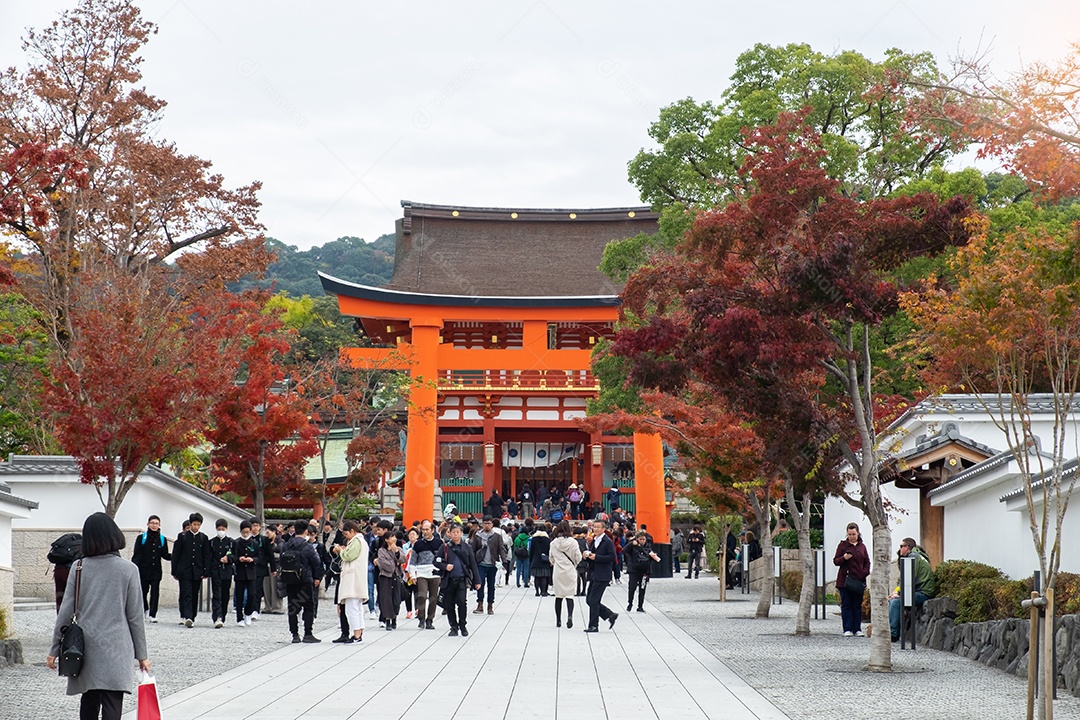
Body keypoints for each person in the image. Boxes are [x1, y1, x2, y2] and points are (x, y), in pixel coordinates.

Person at [48, 512, 150, 720]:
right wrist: (142, 655)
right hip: (117, 648)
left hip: (86, 647)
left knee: (89, 701)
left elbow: (66, 611)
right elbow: (135, 617)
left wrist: (54, 649)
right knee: (113, 704)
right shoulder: (129, 570)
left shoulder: (79, 568)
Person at [281, 519, 323, 643]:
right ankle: (308, 633)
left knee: (292, 607)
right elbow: (316, 563)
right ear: (306, 531)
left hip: (290, 579)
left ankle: (294, 634)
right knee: (309, 606)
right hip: (305, 581)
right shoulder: (307, 547)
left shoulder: (286, 544)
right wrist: (317, 578)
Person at [888, 537, 936, 642]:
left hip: (923, 592)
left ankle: (893, 634)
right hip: (921, 591)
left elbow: (908, 579)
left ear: (908, 547)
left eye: (901, 546)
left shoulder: (913, 557)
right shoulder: (919, 556)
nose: (900, 549)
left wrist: (899, 593)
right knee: (895, 600)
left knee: (895, 602)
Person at [436, 523, 481, 637]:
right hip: (449, 580)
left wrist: (477, 581)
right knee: (449, 605)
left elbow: (473, 565)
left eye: (458, 532)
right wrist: (445, 566)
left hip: (461, 579)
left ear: (462, 533)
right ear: (449, 533)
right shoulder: (445, 547)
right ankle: (453, 626)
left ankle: (463, 625)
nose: (456, 534)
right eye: (453, 532)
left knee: (462, 602)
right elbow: (436, 561)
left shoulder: (467, 548)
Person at [171, 512, 212, 627]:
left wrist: (206, 571)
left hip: (197, 571)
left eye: (198, 525)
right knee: (187, 593)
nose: (196, 527)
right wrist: (174, 570)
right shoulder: (182, 536)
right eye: (194, 524)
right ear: (190, 524)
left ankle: (192, 616)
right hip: (184, 570)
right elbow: (176, 555)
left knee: (195, 594)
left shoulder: (203, 538)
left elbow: (206, 556)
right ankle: (187, 616)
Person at [333, 519, 368, 644]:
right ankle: (358, 633)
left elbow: (349, 556)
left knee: (351, 609)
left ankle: (356, 635)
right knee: (357, 608)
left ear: (352, 531)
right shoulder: (360, 540)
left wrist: (340, 551)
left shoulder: (357, 541)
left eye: (346, 534)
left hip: (353, 580)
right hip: (356, 578)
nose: (345, 536)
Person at [833, 522, 870, 637]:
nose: (852, 536)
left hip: (858, 580)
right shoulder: (843, 546)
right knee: (846, 605)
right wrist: (844, 558)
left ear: (858, 533)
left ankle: (857, 628)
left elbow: (867, 562)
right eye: (849, 534)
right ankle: (847, 628)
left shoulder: (862, 547)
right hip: (845, 580)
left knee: (857, 605)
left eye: (854, 534)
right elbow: (836, 561)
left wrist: (864, 573)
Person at [130, 516, 169, 622]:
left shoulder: (162, 539)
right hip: (143, 570)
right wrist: (134, 567)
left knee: (155, 593)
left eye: (156, 523)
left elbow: (164, 554)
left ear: (159, 525)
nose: (154, 525)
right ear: (148, 524)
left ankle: (153, 614)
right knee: (143, 591)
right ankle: (145, 609)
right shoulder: (141, 538)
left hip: (156, 571)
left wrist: (176, 556)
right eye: (152, 523)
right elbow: (137, 554)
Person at [583, 518, 618, 632]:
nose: (596, 529)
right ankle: (609, 614)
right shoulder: (594, 540)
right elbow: (593, 557)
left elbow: (612, 557)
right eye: (594, 526)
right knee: (589, 600)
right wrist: (587, 557)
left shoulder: (607, 541)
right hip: (593, 573)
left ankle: (593, 625)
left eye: (598, 527)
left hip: (603, 574)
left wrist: (597, 557)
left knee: (594, 600)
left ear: (604, 529)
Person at [410, 519, 444, 630]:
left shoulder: (439, 543)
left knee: (433, 597)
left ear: (432, 530)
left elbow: (443, 558)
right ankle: (421, 618)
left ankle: (430, 619)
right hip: (421, 572)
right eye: (423, 529)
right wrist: (413, 575)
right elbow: (413, 561)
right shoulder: (418, 544)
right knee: (422, 595)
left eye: (427, 529)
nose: (425, 532)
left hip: (435, 572)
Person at [549, 520, 582, 628]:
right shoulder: (573, 542)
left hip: (558, 571)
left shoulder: (553, 543)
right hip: (570, 570)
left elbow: (551, 558)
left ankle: (558, 620)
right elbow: (578, 556)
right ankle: (570, 616)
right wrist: (574, 564)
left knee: (558, 596)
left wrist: (556, 564)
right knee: (569, 595)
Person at [471, 515, 506, 615]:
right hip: (481, 563)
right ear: (482, 524)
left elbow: (501, 549)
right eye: (485, 523)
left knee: (491, 585)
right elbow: (473, 549)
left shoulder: (497, 536)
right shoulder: (477, 535)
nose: (487, 525)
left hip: (492, 564)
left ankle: (490, 605)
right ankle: (480, 604)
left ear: (492, 524)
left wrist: (504, 561)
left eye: (489, 523)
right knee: (480, 584)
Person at [230, 521, 259, 627]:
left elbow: (259, 557)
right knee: (239, 595)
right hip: (240, 572)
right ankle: (239, 617)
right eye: (243, 532)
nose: (245, 534)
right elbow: (233, 556)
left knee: (251, 594)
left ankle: (248, 613)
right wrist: (239, 559)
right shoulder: (236, 542)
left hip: (251, 572)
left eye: (247, 532)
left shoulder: (254, 543)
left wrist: (253, 559)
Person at [625, 531, 660, 612]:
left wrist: (654, 556)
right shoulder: (633, 546)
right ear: (637, 539)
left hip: (645, 571)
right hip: (634, 570)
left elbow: (653, 558)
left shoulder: (648, 547)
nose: (642, 541)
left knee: (642, 588)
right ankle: (630, 603)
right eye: (640, 539)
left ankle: (640, 606)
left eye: (644, 539)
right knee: (632, 587)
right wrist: (631, 544)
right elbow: (625, 550)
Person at [208, 519, 233, 629]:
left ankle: (223, 615)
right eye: (219, 529)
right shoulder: (212, 542)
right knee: (216, 594)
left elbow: (235, 555)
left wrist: (228, 558)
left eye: (223, 529)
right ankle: (216, 616)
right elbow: (209, 557)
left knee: (225, 595)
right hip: (216, 571)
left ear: (226, 529)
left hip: (226, 572)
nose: (221, 531)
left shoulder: (231, 542)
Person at [376, 530, 403, 630]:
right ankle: (387, 620)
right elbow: (383, 563)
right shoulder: (381, 551)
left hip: (396, 576)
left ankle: (394, 618)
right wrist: (394, 563)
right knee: (386, 599)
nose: (394, 539)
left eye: (395, 537)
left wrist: (396, 553)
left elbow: (403, 560)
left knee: (396, 599)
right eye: (392, 537)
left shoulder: (398, 549)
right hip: (385, 577)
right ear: (386, 539)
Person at [261, 525, 284, 613]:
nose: (267, 535)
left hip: (276, 565)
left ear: (274, 532)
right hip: (266, 565)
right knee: (266, 587)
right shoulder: (266, 541)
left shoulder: (280, 541)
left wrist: (271, 548)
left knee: (275, 587)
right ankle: (268, 606)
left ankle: (277, 607)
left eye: (268, 532)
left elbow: (280, 550)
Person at [529, 522, 553, 596]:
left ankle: (537, 591)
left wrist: (531, 559)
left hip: (535, 560)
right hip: (545, 560)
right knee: (544, 577)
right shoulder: (547, 540)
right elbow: (549, 550)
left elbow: (531, 550)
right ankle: (544, 591)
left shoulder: (534, 539)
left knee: (537, 577)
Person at [513, 523, 532, 588]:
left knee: (518, 568)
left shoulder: (517, 538)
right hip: (526, 555)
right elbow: (529, 547)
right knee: (526, 568)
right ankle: (526, 582)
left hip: (518, 554)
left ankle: (517, 582)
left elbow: (515, 546)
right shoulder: (528, 538)